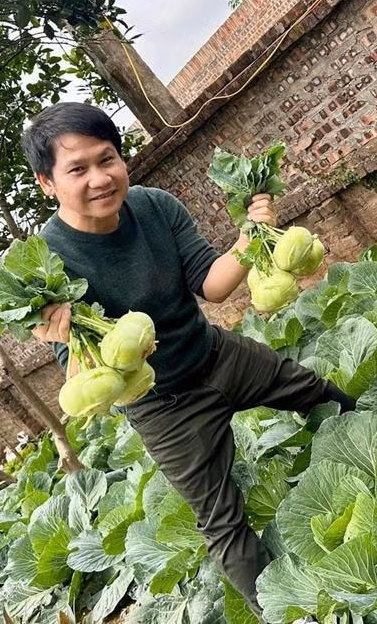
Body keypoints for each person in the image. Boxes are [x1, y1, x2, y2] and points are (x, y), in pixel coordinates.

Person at [21, 101, 355, 619]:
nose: (99, 178)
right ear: (48, 183)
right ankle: (289, 612)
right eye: (77, 169)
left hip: (216, 354)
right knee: (223, 522)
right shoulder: (46, 262)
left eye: (106, 159)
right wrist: (56, 331)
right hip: (164, 407)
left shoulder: (154, 205)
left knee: (320, 392)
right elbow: (91, 379)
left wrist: (250, 234)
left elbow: (213, 285)